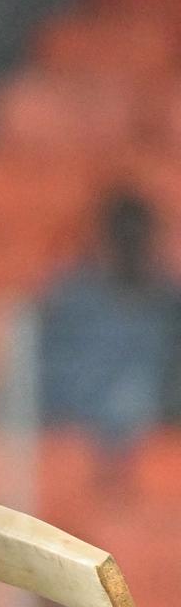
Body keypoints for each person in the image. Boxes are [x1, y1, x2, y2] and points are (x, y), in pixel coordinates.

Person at [39, 190, 181, 450]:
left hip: (153, 445)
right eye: (122, 237)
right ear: (105, 239)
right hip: (76, 441)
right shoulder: (71, 302)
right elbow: (44, 385)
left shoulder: (172, 306)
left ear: (153, 240)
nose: (130, 248)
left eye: (137, 238)